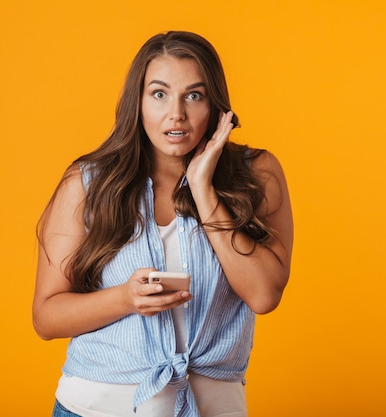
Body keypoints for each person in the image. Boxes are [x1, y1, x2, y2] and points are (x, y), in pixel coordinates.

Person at [33, 30, 293, 417]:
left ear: (215, 105)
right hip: (94, 408)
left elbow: (263, 295)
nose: (177, 114)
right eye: (159, 94)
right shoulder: (88, 182)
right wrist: (125, 298)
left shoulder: (256, 174)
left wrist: (204, 190)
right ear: (136, 104)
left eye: (194, 95)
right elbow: (46, 316)